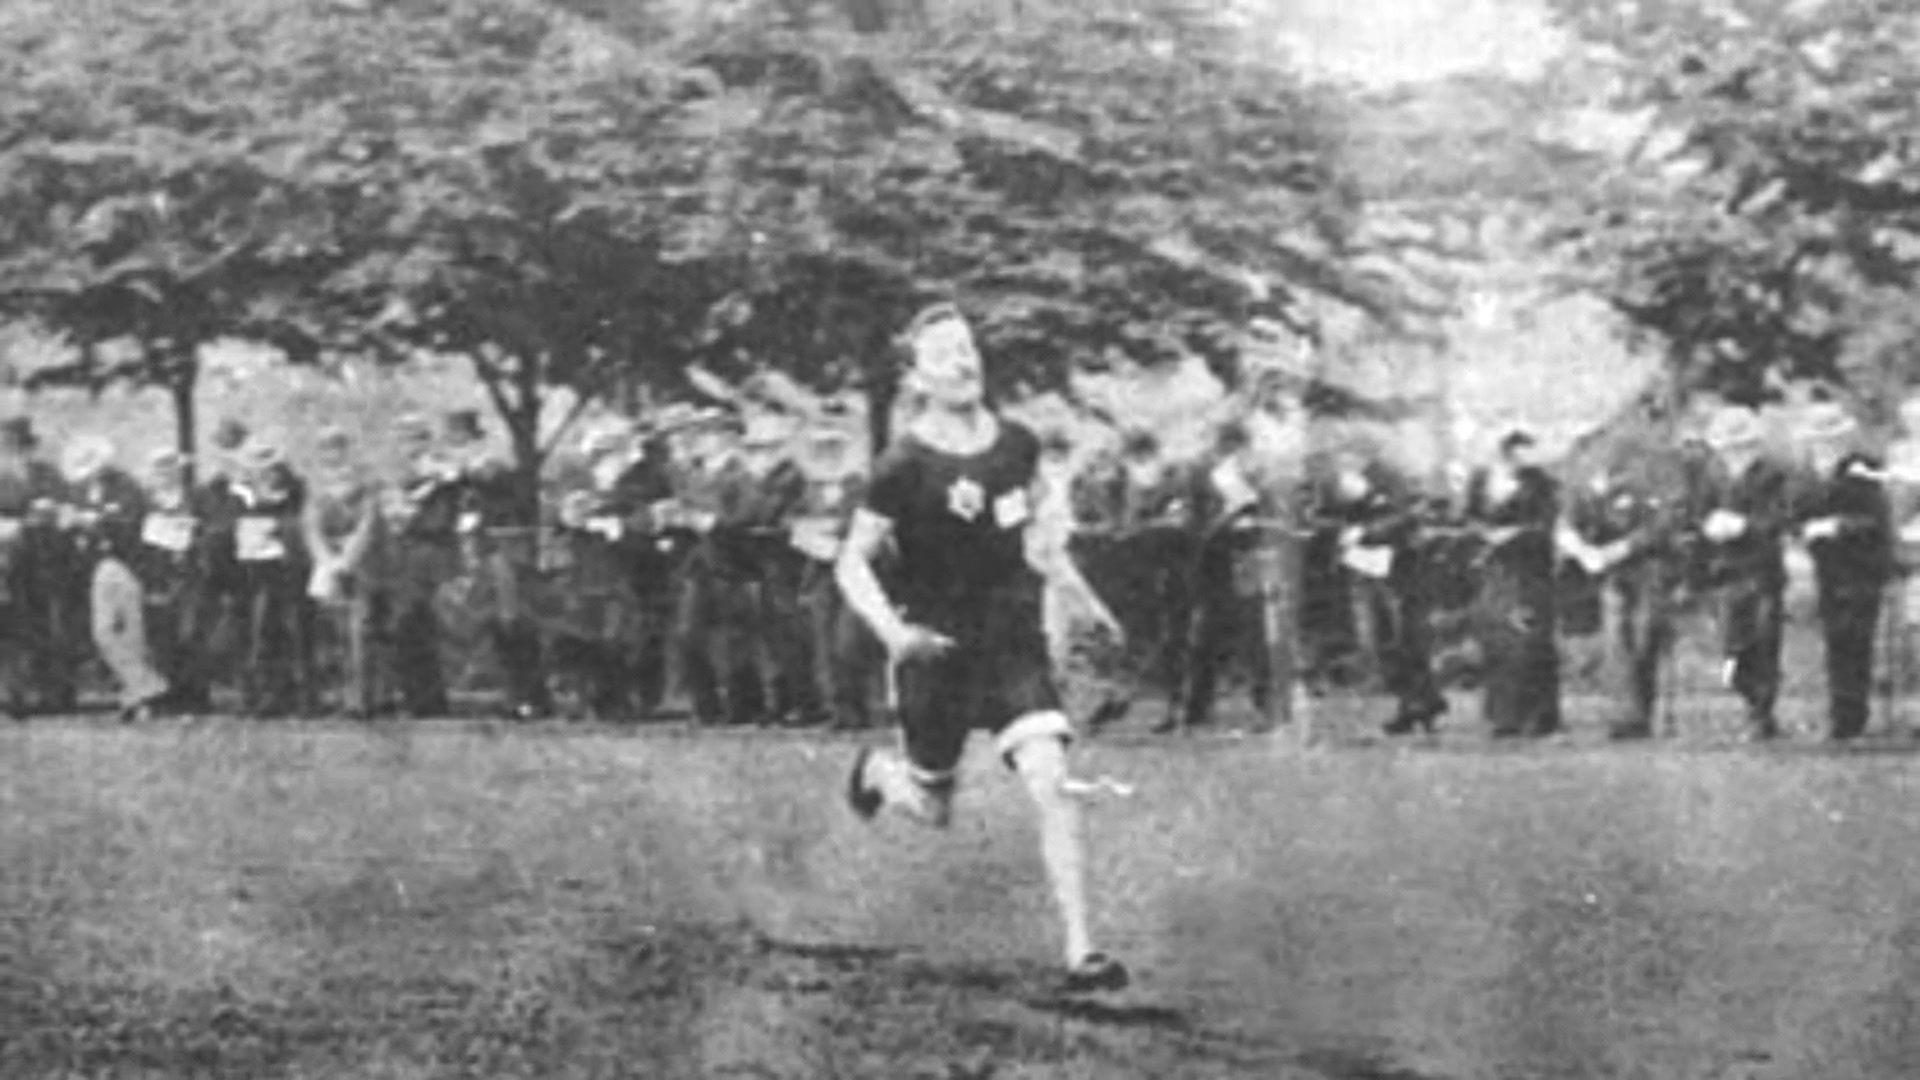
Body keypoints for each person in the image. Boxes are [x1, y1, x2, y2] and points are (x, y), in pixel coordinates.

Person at [838, 301, 1128, 994]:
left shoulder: (1017, 446)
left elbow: (1040, 547)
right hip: (935, 652)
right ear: (917, 377)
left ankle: (1082, 951)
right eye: (944, 354)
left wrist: (1091, 607)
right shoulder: (900, 465)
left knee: (1051, 782)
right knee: (934, 807)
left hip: (1011, 647)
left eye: (968, 347)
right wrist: (895, 634)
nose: (964, 363)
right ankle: (881, 777)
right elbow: (851, 561)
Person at [1556, 434, 1704, 741]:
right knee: (1617, 638)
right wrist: (1584, 552)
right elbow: (1568, 524)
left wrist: (1618, 550)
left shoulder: (1644, 478)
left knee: (1644, 634)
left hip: (1650, 564)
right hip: (1611, 569)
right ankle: (1626, 715)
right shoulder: (1582, 486)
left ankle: (1639, 710)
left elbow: (1662, 524)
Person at [1315, 447, 1449, 735]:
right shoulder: (1358, 500)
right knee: (1387, 644)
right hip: (1375, 574)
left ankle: (1419, 704)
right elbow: (1328, 521)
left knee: (1406, 641)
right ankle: (1418, 703)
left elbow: (1407, 521)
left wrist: (1365, 533)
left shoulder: (1394, 492)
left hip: (1402, 577)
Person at [1794, 403, 1893, 741]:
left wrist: (1836, 526)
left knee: (1855, 642)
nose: (1824, 445)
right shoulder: (1809, 475)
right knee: (1836, 641)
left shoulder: (1863, 471)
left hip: (1861, 568)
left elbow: (1876, 522)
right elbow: (1797, 512)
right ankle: (1841, 715)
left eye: (1830, 439)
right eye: (1818, 439)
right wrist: (1805, 529)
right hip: (1829, 569)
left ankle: (1851, 718)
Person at [1695, 405, 1794, 741]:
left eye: (1739, 446)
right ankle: (1749, 696)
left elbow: (1781, 518)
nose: (1732, 453)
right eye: (1726, 447)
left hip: (1762, 570)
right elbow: (1698, 513)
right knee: (1732, 645)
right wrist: (1708, 527)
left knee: (1764, 642)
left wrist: (1745, 526)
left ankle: (1761, 714)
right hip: (1724, 570)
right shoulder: (1712, 473)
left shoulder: (1773, 475)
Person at [62, 435, 171, 721]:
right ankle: (144, 686)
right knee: (106, 631)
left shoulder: (125, 487)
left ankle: (137, 695)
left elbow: (132, 524)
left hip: (125, 563)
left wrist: (97, 521)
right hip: (99, 565)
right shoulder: (81, 491)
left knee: (128, 632)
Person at [1465, 429, 1563, 739]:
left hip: (1530, 568)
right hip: (1495, 569)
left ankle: (1540, 715)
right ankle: (1503, 716)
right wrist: (1481, 533)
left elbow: (1548, 523)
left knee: (1531, 638)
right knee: (1496, 638)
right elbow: (1468, 517)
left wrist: (1516, 534)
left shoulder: (1542, 484)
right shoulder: (1481, 481)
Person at [302, 426, 388, 718]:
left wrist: (349, 560)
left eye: (337, 447)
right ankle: (340, 695)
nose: (332, 454)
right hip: (329, 559)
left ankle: (363, 697)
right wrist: (326, 559)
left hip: (359, 560)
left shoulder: (363, 483)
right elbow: (311, 526)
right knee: (334, 631)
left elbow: (368, 523)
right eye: (325, 448)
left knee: (361, 629)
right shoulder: (316, 486)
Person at [381, 413, 461, 717]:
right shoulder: (404, 473)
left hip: (434, 551)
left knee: (426, 621)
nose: (409, 444)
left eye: (415, 437)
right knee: (406, 624)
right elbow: (396, 510)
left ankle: (431, 698)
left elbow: (446, 489)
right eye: (404, 438)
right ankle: (416, 695)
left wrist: (431, 481)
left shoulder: (442, 470)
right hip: (407, 552)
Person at [233, 440, 313, 717]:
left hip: (289, 568)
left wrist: (279, 529)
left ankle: (303, 695)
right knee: (261, 631)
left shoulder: (294, 490)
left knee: (296, 629)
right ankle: (266, 695)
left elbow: (301, 523)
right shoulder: (243, 492)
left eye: (270, 466)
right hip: (255, 570)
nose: (266, 472)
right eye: (259, 466)